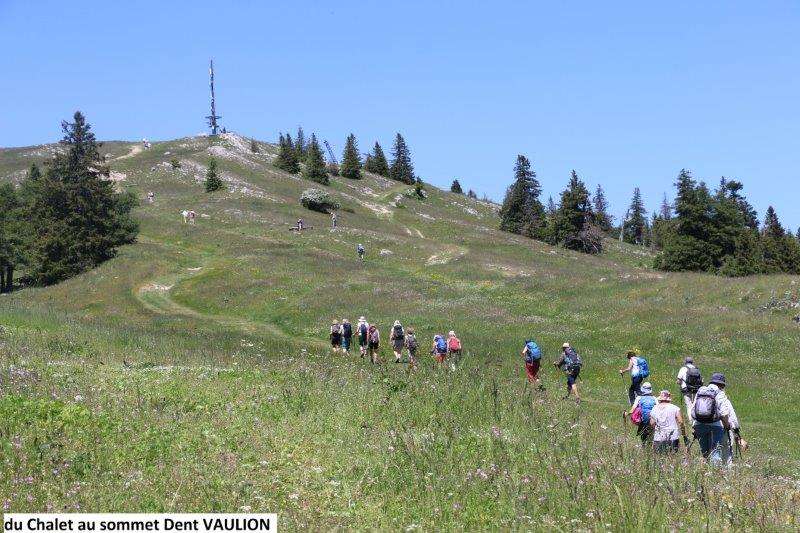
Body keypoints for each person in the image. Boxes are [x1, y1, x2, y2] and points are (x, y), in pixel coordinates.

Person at [691, 373, 745, 466]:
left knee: (705, 453)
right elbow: (724, 413)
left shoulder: (701, 391)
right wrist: (727, 425)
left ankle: (706, 470)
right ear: (722, 385)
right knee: (715, 451)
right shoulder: (720, 393)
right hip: (715, 426)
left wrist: (694, 425)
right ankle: (715, 472)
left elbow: (693, 410)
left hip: (699, 424)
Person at [676, 356, 702, 423]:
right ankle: (696, 420)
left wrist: (679, 383)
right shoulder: (696, 369)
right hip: (696, 389)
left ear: (685, 362)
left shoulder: (683, 369)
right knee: (695, 405)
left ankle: (691, 421)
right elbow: (701, 380)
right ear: (692, 362)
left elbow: (679, 381)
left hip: (686, 390)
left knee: (689, 406)